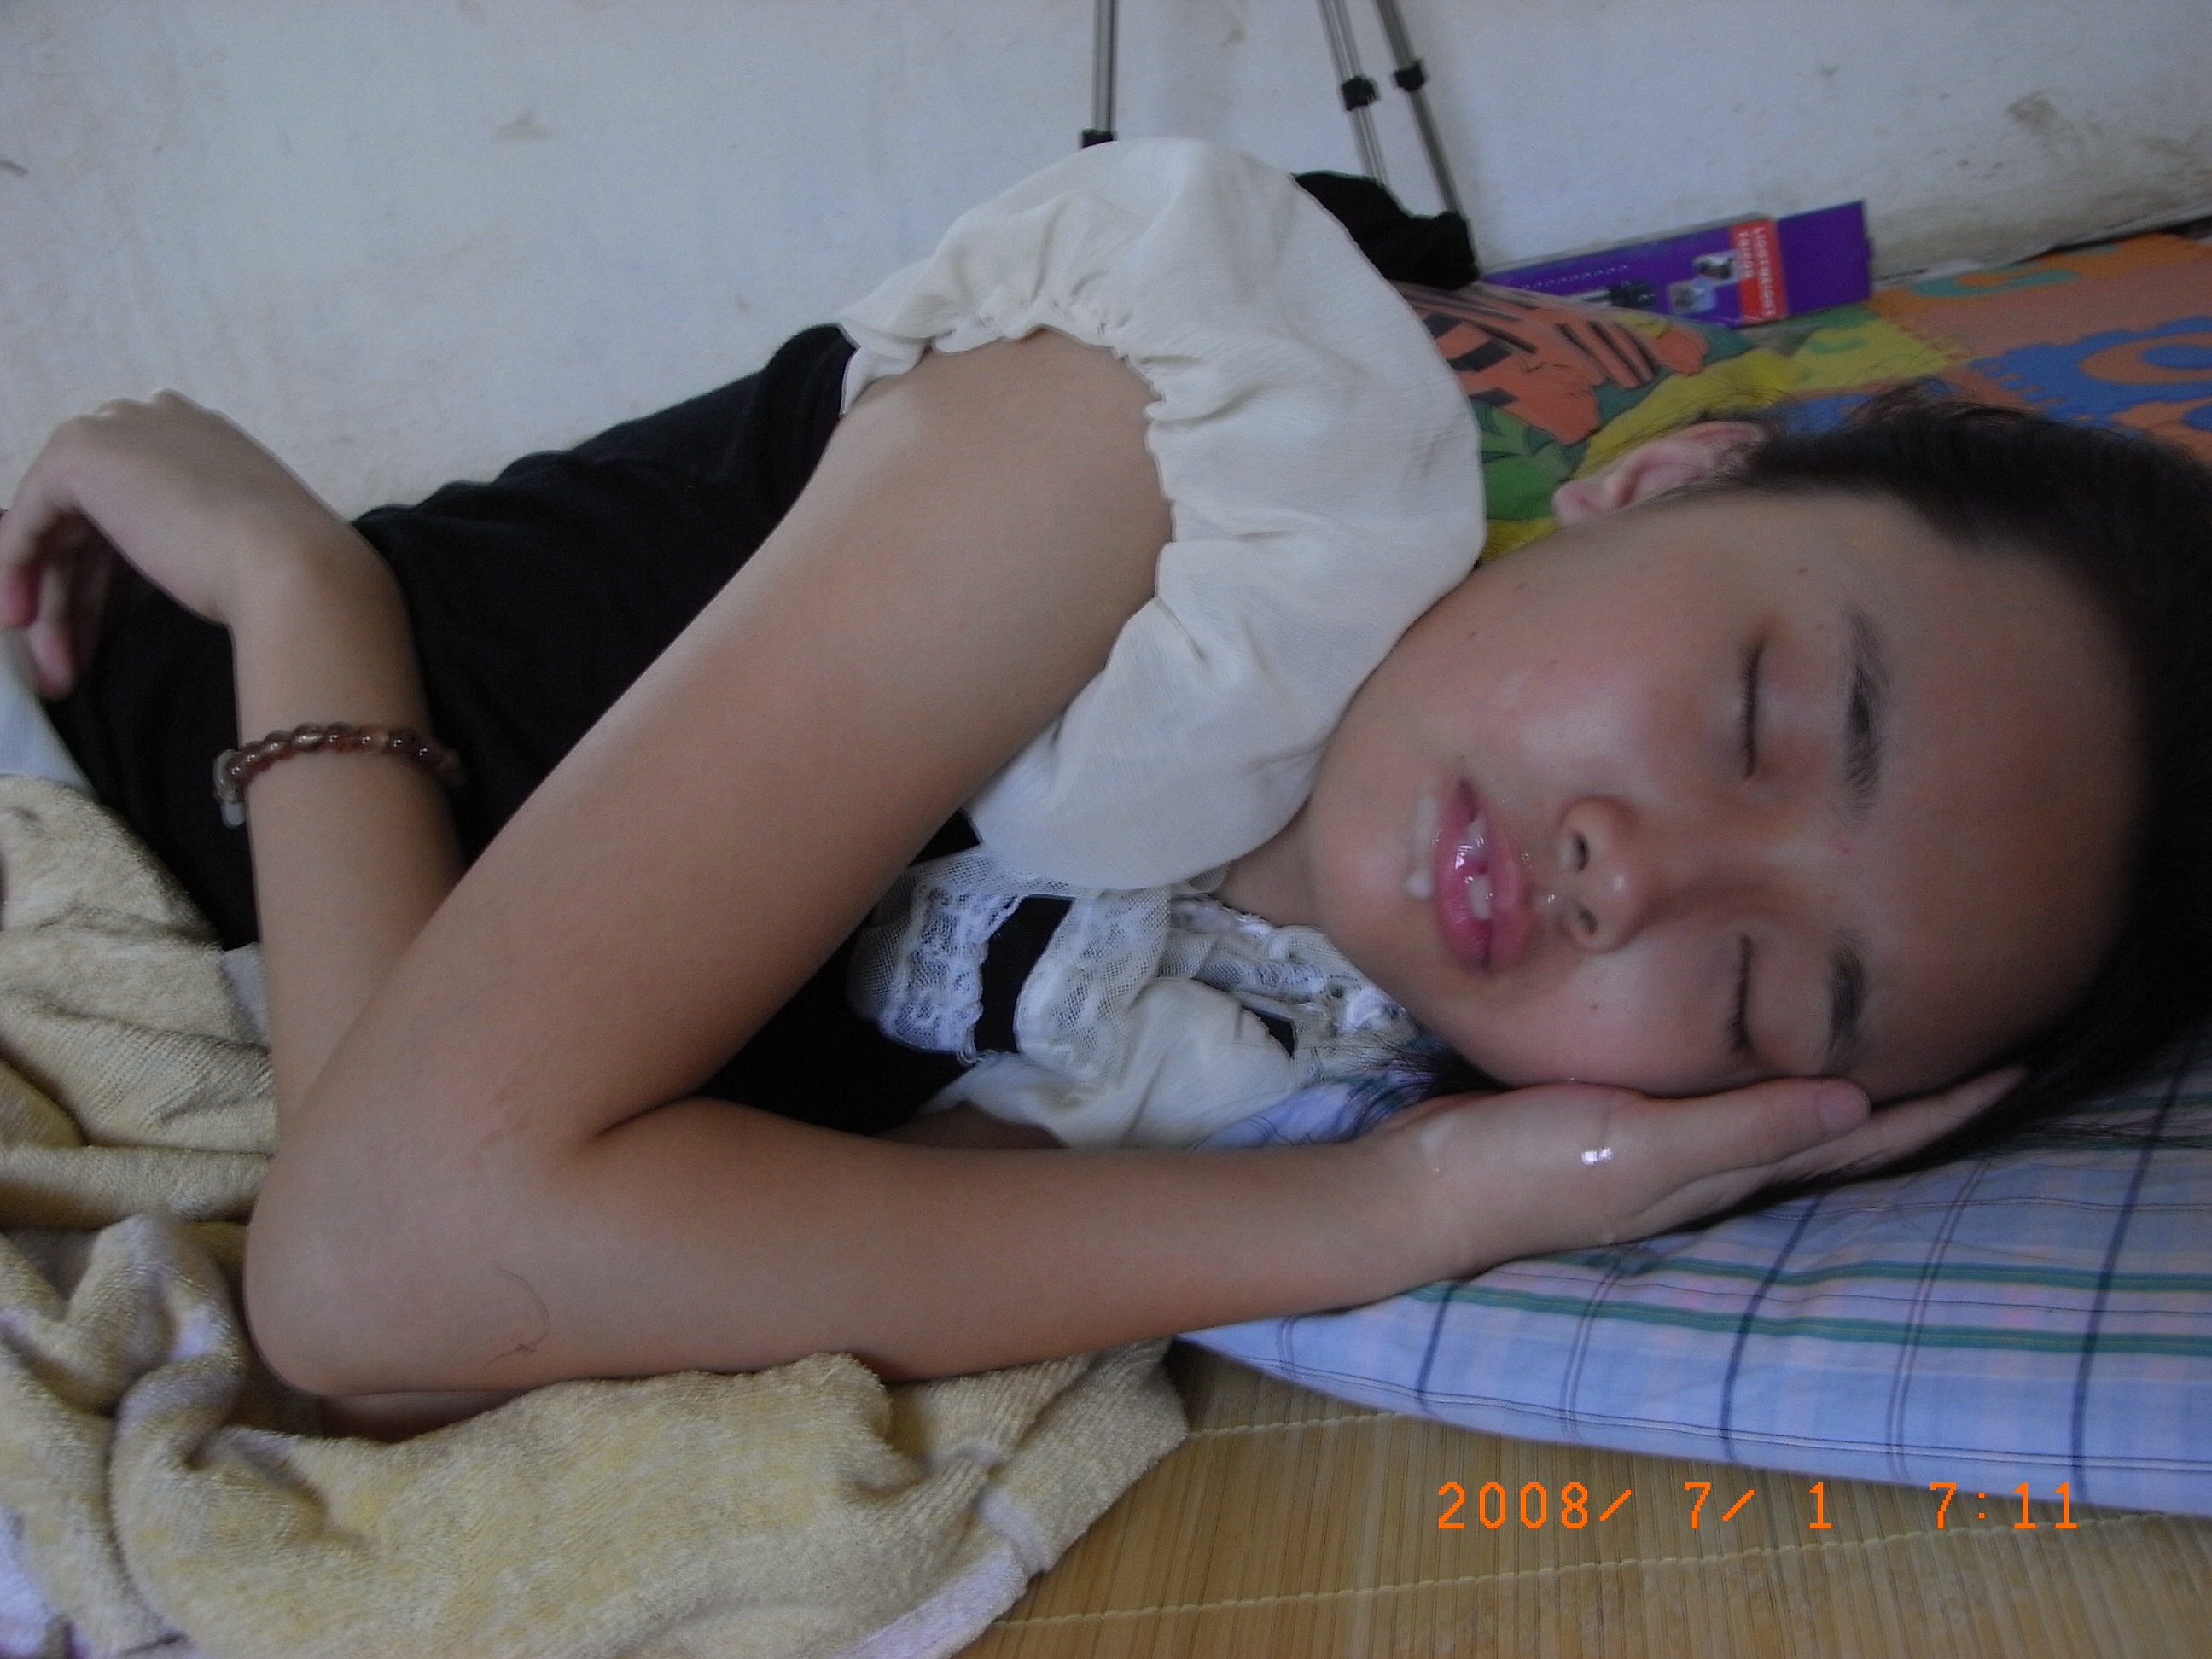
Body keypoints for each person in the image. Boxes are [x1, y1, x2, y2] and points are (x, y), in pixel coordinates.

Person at [2, 142, 2204, 1440]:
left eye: (1757, 993)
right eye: (1753, 716)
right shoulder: (1200, 438)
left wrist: (1434, 1197)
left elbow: (411, 1323)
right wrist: (299, 597)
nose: (1639, 881)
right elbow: (388, 1273)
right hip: (88, 717)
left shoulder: (1290, 1051)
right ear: (1672, 479)